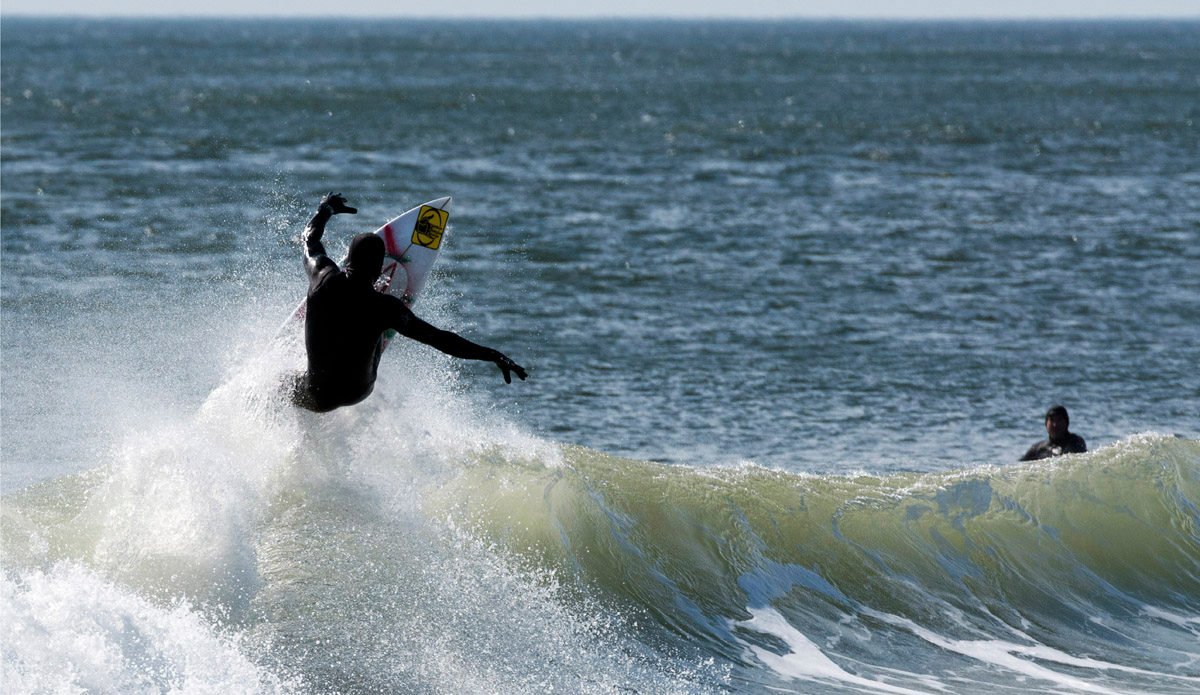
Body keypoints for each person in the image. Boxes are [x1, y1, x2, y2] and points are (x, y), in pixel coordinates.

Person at [290, 193, 526, 413]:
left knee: (284, 385)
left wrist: (326, 208)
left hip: (316, 396)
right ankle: (370, 330)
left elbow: (310, 238)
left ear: (347, 260)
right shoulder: (387, 308)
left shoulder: (321, 275)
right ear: (380, 268)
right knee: (378, 322)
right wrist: (492, 354)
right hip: (356, 392)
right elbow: (440, 339)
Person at [1020, 405, 1086, 461]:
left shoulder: (1075, 442)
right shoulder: (1038, 448)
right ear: (1046, 424)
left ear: (1066, 423)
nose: (1055, 425)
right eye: (1052, 420)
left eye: (1059, 420)